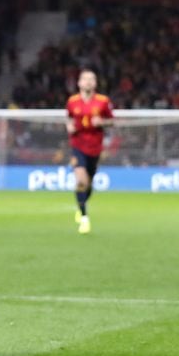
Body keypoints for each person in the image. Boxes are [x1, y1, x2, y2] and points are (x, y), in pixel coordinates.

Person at [65, 69, 114, 234]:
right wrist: (69, 126)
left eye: (91, 79)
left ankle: (81, 205)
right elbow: (69, 118)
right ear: (79, 83)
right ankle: (85, 218)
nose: (88, 82)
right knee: (80, 181)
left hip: (95, 147)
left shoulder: (103, 101)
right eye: (85, 79)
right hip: (77, 145)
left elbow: (111, 121)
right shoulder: (72, 101)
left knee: (89, 183)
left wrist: (102, 122)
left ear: (95, 83)